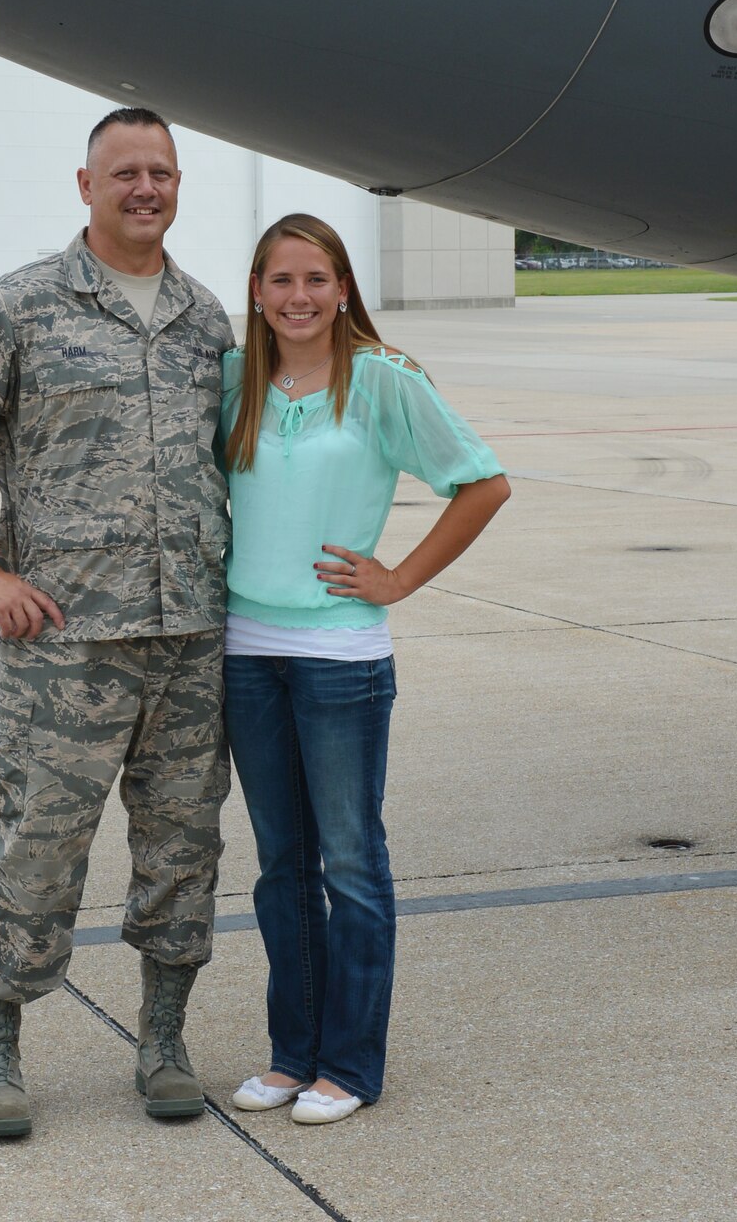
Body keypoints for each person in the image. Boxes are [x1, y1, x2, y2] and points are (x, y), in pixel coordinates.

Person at [0, 108, 234, 1141]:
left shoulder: (205, 317)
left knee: (183, 849)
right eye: (124, 170)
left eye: (162, 171)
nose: (146, 187)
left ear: (178, 183)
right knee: (35, 849)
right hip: (60, 647)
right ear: (84, 182)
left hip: (188, 641)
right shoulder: (20, 306)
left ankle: (165, 1039)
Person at [220, 214, 509, 1125]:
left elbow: (483, 482)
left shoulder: (383, 379)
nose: (298, 297)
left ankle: (348, 1064)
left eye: (316, 279)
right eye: (280, 281)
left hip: (341, 655)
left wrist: (400, 577)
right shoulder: (237, 382)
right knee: (280, 867)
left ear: (344, 288)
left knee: (349, 862)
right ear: (257, 294)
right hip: (246, 653)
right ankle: (290, 1053)